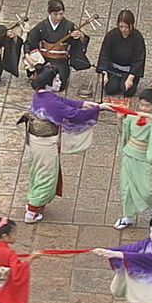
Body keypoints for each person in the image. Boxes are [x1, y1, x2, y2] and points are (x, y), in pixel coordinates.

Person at [21, 64, 101, 223]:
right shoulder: (51, 102)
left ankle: (36, 203)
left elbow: (63, 101)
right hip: (45, 143)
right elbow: (73, 115)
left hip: (36, 140)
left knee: (38, 172)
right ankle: (32, 210)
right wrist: (97, 109)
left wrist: (84, 104)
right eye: (56, 80)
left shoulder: (40, 95)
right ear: (47, 82)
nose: (59, 82)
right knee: (46, 175)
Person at [113, 90, 152, 229]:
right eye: (141, 105)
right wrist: (120, 118)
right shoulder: (133, 117)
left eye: (147, 106)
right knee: (126, 188)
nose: (143, 108)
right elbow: (122, 132)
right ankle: (128, 216)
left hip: (143, 157)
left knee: (147, 189)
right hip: (129, 154)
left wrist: (148, 116)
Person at [22, 0, 91, 91]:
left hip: (61, 61)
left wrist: (80, 36)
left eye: (61, 14)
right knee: (39, 82)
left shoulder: (69, 26)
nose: (58, 17)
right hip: (45, 60)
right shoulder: (42, 26)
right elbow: (29, 42)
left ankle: (47, 78)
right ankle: (44, 78)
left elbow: (79, 43)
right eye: (55, 14)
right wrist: (30, 60)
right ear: (49, 13)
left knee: (60, 85)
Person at [97, 10, 147, 98]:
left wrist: (130, 78)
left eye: (126, 27)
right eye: (121, 26)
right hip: (113, 69)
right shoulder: (111, 35)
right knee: (110, 89)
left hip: (129, 70)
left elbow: (139, 59)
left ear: (132, 25)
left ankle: (126, 81)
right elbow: (105, 54)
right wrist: (105, 74)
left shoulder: (137, 37)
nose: (123, 29)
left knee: (127, 90)